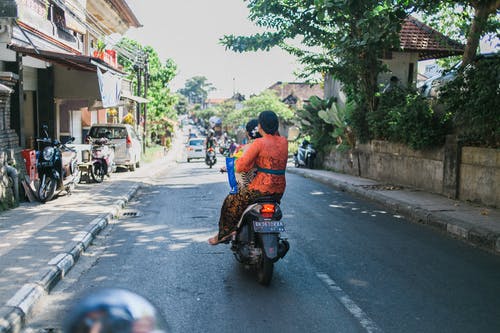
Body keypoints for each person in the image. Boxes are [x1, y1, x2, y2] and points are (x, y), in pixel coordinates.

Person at [209, 110, 288, 245]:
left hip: (259, 190)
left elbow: (241, 167)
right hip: (279, 190)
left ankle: (225, 233)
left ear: (260, 126)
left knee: (230, 202)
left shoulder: (259, 143)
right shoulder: (284, 142)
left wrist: (238, 164)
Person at [221, 118, 262, 188]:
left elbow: (238, 166)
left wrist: (228, 168)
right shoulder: (270, 146)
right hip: (270, 187)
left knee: (230, 198)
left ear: (247, 133)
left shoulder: (244, 148)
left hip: (249, 190)